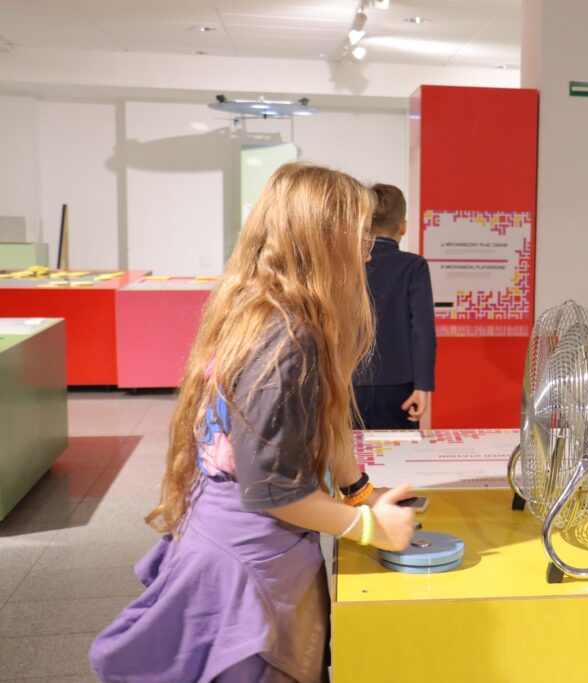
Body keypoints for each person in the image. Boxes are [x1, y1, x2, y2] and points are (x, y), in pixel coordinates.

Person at [89, 163, 416, 682]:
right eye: (358, 236)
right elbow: (274, 490)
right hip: (248, 560)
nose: (368, 251)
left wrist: (358, 492)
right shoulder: (288, 338)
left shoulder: (271, 311)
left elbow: (326, 422)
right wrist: (371, 527)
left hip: (242, 542)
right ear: (321, 239)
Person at [353, 184, 436, 429]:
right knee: (398, 450)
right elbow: (423, 329)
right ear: (403, 226)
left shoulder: (348, 265)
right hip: (398, 385)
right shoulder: (414, 266)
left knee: (349, 448)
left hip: (348, 381)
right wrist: (423, 385)